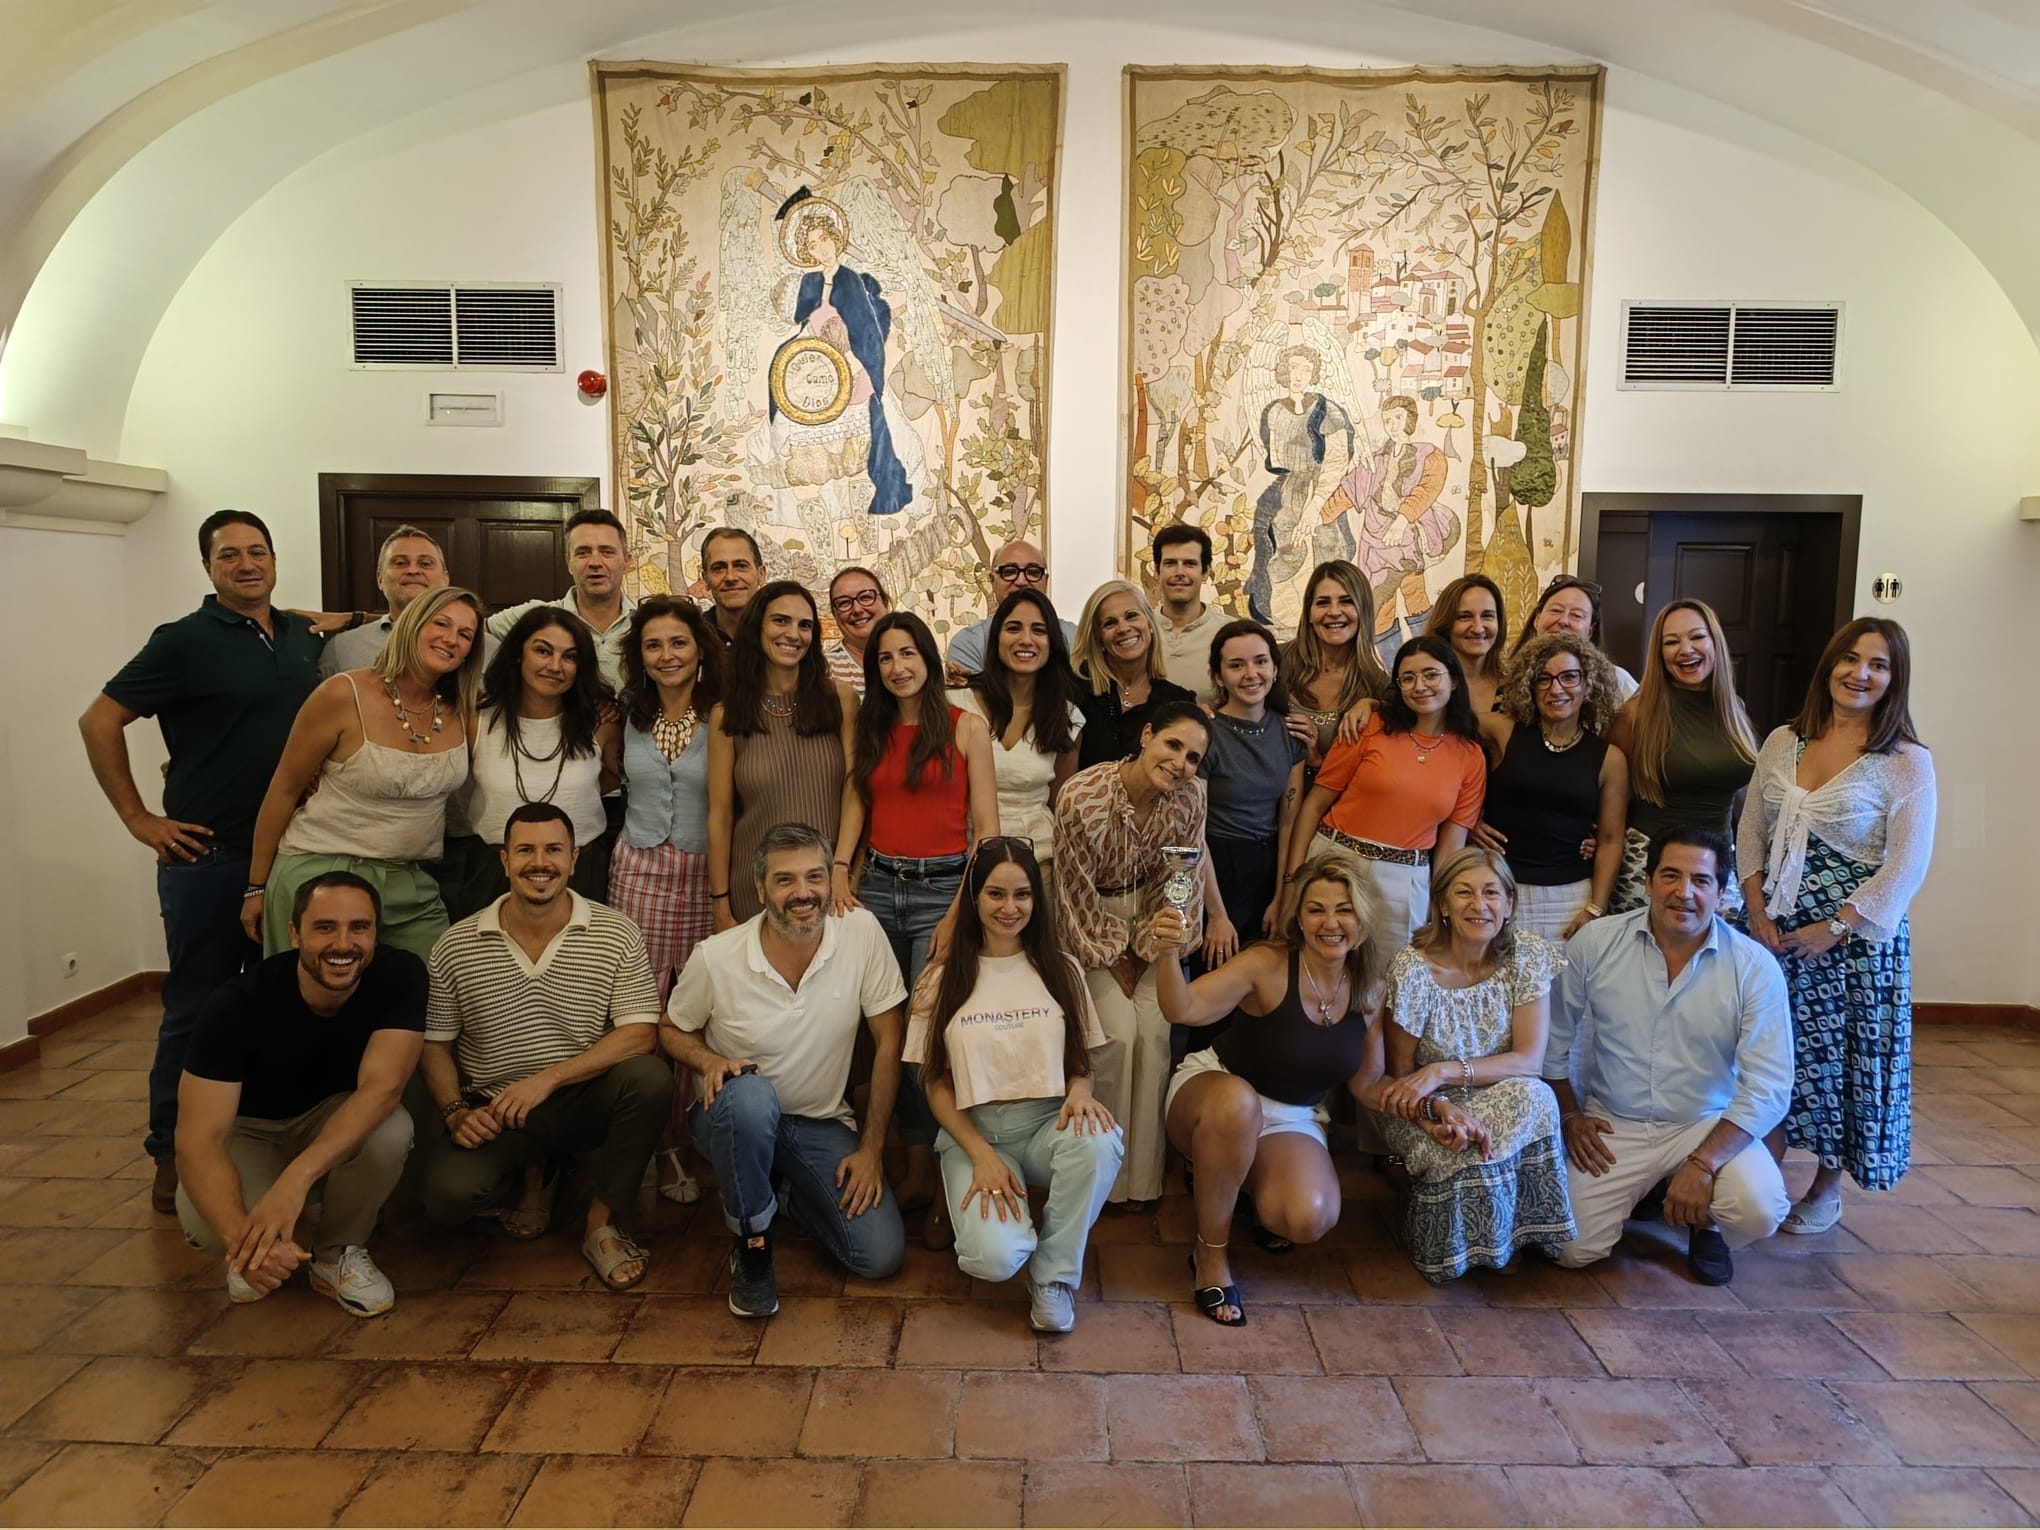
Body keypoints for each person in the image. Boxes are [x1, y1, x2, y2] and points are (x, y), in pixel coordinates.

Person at [81, 509, 324, 1213]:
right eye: (230, 556)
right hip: (209, 858)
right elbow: (98, 721)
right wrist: (138, 818)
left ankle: (265, 1141)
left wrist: (357, 614)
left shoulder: (300, 635)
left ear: (274, 559)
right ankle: (171, 1152)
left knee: (283, 1003)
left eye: (257, 552)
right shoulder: (183, 641)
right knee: (197, 1008)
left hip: (291, 856)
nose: (247, 565)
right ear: (208, 567)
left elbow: (329, 620)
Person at [1151, 852, 1487, 1324]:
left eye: (1344, 910)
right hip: (1216, 1093)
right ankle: (1210, 1253)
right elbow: (1181, 1009)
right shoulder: (1266, 963)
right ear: (1299, 918)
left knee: (1308, 1217)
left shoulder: (1369, 989)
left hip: (1292, 1115)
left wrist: (1433, 1109)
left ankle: (1235, 1182)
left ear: (1362, 921)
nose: (1331, 923)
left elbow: (1369, 1085)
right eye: (1316, 910)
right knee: (1238, 1105)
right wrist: (1168, 953)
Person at [414, 803, 670, 1291]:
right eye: (525, 850)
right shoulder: (456, 945)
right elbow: (434, 1044)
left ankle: (600, 1224)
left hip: (581, 1098)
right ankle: (538, 1169)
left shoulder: (616, 931)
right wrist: (454, 1111)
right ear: (504, 859)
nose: (540, 862)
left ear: (574, 859)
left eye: (553, 850)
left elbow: (641, 1033)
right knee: (448, 1198)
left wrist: (548, 1079)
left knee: (649, 1078)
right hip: (498, 1108)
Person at [662, 824, 910, 1315]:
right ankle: (752, 1245)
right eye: (785, 880)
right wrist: (710, 1061)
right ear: (760, 889)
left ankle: (785, 1192)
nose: (804, 893)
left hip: (819, 1121)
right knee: (752, 1097)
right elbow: (670, 1029)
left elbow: (889, 1041)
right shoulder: (718, 956)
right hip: (734, 1117)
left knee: (880, 1256)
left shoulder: (860, 932)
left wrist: (872, 1149)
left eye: (815, 877)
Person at [1738, 618, 1936, 1232]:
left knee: (1839, 1064)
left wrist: (1837, 927)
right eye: (1850, 659)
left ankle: (1826, 1187)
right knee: (1762, 1054)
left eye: (1878, 665)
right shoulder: (1784, 740)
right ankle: (1754, 1169)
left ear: (1894, 679)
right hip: (1772, 931)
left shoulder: (1905, 761)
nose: (1860, 674)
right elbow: (1751, 829)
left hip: (1853, 943)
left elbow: (1907, 865)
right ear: (1829, 665)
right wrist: (1756, 911)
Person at [1545, 827, 1794, 1286]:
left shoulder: (1754, 967)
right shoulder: (1594, 943)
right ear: (1647, 881)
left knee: (1759, 1209)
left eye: (1701, 881)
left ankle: (1706, 1221)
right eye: (1670, 876)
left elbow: (1770, 1087)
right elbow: (1552, 1042)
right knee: (1568, 1249)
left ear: (1720, 893)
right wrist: (1570, 1115)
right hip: (1616, 1122)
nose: (1684, 892)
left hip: (1705, 1122)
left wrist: (1704, 1163)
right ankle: (1650, 1188)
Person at [174, 871, 422, 1317]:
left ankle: (335, 1252)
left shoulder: (399, 974)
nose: (343, 944)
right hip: (250, 1131)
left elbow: (383, 1090)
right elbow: (197, 1141)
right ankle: (255, 1252)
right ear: (294, 933)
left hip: (330, 1116)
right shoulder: (235, 1003)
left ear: (375, 933)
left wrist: (295, 1181)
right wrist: (243, 1243)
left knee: (391, 1128)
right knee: (205, 1228)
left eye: (359, 927)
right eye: (325, 927)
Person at [906, 839, 1122, 1332]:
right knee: (994, 1259)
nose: (1010, 908)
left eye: (1022, 894)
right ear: (974, 898)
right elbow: (934, 1084)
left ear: (1035, 899)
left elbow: (1080, 1064)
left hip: (1046, 1126)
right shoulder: (938, 981)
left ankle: (1052, 1275)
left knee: (1100, 1141)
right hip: (974, 1133)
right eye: (996, 894)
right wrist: (981, 1154)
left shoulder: (1062, 969)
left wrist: (1080, 1093)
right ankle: (1013, 1229)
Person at [836, 610, 1000, 1239]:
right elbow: (858, 798)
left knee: (927, 1042)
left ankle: (940, 1178)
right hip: (877, 888)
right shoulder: (871, 726)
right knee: (885, 1035)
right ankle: (908, 1168)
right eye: (885, 658)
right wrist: (842, 867)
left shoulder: (966, 727)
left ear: (929, 660)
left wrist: (959, 913)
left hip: (942, 893)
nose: (897, 667)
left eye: (908, 654)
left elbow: (986, 833)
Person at [242, 586, 482, 959]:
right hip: (320, 873)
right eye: (441, 624)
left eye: (465, 634)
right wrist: (256, 887)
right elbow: (284, 790)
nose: (452, 639)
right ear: (413, 624)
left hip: (409, 880)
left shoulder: (463, 709)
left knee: (434, 984)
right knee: (311, 994)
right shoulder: (343, 693)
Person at [1376, 849, 1575, 1282]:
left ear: (1509, 904)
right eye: (1463, 892)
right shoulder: (1412, 968)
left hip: (1499, 1093)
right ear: (1443, 905)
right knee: (1462, 1140)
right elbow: (1401, 1078)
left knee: (1536, 1095)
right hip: (1426, 1107)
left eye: (1491, 893)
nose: (1479, 905)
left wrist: (1445, 1069)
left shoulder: (1526, 956)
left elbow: (1529, 1061)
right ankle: (1455, 1242)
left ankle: (1507, 1236)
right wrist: (1439, 1106)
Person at [1054, 701, 1211, 1205]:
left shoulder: (1191, 797)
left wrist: (1150, 948)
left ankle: (1141, 1182)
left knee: (1157, 1034)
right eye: (1173, 744)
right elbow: (1072, 892)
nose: (1180, 763)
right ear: (1146, 736)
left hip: (1152, 921)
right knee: (1117, 1037)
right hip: (1090, 923)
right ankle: (1103, 1178)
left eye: (1192, 757)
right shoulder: (1081, 796)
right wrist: (1113, 954)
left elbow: (1184, 881)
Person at [610, 595, 724, 1207]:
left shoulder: (724, 713)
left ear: (700, 649)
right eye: (653, 645)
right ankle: (653, 1139)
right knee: (641, 1004)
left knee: (698, 1006)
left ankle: (692, 1130)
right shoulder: (627, 713)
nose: (666, 655)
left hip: (706, 874)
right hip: (638, 869)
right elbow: (608, 777)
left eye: (678, 642)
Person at [1287, 634, 1486, 973]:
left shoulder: (1470, 755)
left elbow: (1451, 848)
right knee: (1315, 968)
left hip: (1404, 879)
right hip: (1335, 860)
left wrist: (1439, 909)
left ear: (1453, 680)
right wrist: (1292, 880)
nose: (1419, 686)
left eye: (1430, 674)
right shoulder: (1370, 725)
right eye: (1407, 678)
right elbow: (1314, 805)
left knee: (1389, 978)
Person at [438, 607, 620, 922]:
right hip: (494, 871)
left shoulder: (600, 721)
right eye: (542, 651)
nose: (555, 666)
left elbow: (612, 777)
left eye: (570, 657)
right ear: (518, 654)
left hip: (581, 871)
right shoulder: (476, 717)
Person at [708, 579, 857, 928]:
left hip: (829, 886)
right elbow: (720, 816)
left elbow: (855, 790)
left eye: (805, 625)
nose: (793, 634)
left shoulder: (841, 701)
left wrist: (843, 866)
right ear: (757, 627)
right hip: (755, 889)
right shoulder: (727, 715)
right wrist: (720, 903)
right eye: (780, 620)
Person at [1475, 632, 1628, 942]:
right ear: (1528, 686)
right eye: (1543, 679)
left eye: (1569, 677)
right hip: (1498, 889)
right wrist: (1466, 820)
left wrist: (1595, 908)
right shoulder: (1502, 731)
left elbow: (1611, 840)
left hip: (1570, 899)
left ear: (1589, 683)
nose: (1556, 689)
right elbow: (1439, 723)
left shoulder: (1610, 759)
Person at [1607, 599, 1758, 912]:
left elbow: (1746, 795)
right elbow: (1609, 796)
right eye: (1671, 642)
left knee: (1722, 944)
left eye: (1697, 637)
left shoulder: (1734, 710)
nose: (1685, 650)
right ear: (1659, 653)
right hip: (1650, 865)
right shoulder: (1635, 715)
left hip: (1719, 864)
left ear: (1715, 642)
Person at [949, 590, 1086, 886]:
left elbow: (1060, 805)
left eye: (1039, 630)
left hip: (1037, 864)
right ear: (996, 638)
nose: (1026, 640)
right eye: (1013, 628)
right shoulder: (958, 705)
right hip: (962, 863)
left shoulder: (1067, 716)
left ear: (1053, 643)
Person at [1198, 619, 1308, 974]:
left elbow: (1288, 823)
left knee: (1266, 980)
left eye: (1260, 661)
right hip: (1217, 867)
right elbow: (1193, 831)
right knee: (1216, 977)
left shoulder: (1289, 730)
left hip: (1270, 864)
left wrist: (1282, 896)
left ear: (1275, 669)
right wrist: (1217, 915)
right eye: (1236, 665)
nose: (1251, 674)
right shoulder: (1205, 735)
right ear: (1218, 676)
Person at [1319, 394, 1458, 666]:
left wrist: (1402, 520)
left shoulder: (1427, 455)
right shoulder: (1376, 460)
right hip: (1375, 540)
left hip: (1405, 539)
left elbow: (1426, 489)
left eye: (1397, 418)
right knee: (1380, 608)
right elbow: (1348, 492)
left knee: (1414, 594)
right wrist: (1317, 518)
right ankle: (1393, 671)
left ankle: (1431, 664)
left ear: (1410, 419)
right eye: (1387, 420)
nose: (1393, 425)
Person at [1247, 346, 1354, 630]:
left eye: (1306, 369)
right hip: (1289, 492)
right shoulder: (1274, 411)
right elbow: (1276, 460)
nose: (1299, 375)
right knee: (1284, 549)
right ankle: (1288, 622)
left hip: (1322, 490)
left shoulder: (1327, 410)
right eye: (1294, 367)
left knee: (1326, 551)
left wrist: (1315, 504)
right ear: (1285, 371)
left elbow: (1337, 460)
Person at [487, 508, 637, 690]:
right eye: (583, 552)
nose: (595, 562)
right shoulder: (535, 618)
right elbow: (471, 634)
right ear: (568, 563)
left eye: (607, 552)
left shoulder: (647, 623)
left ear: (627, 561)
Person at [1279, 560, 1390, 776]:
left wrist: (1315, 761)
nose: (1334, 611)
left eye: (1346, 601)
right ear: (1309, 613)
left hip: (1330, 796)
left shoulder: (1377, 685)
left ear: (1364, 611)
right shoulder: (1274, 660)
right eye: (1323, 603)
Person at [1071, 579, 1196, 769]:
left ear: (1149, 622)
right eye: (1110, 623)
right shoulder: (1074, 689)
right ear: (1098, 637)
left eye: (1131, 616)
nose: (1123, 628)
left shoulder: (1178, 702)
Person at [319, 525, 449, 678]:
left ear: (445, 578)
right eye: (400, 563)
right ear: (380, 578)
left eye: (425, 563)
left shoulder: (472, 645)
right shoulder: (342, 649)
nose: (413, 570)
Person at [945, 539, 1077, 682]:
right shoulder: (968, 643)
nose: (1021, 581)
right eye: (1009, 572)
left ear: (1045, 581)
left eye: (1033, 572)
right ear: (992, 580)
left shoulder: (1076, 639)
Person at [1515, 576, 1639, 705]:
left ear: (1590, 630)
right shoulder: (1511, 675)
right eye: (1556, 610)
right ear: (1537, 619)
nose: (1564, 621)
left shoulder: (1617, 681)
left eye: (1576, 615)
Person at [1151, 523, 1224, 702]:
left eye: (1190, 564)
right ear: (1157, 571)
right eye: (1170, 563)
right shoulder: (1137, 632)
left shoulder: (1231, 634)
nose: (1180, 572)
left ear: (1205, 572)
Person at [1422, 574, 1507, 718]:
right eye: (1464, 617)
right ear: (1445, 623)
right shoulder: (1422, 687)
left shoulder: (1517, 690)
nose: (1478, 628)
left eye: (1487, 615)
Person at [824, 565, 889, 694]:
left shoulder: (916, 658)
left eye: (865, 597)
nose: (857, 609)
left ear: (885, 603)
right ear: (834, 614)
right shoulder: (822, 671)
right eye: (844, 603)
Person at [699, 525, 766, 647]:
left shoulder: (780, 635)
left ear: (761, 574)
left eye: (741, 566)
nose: (730, 577)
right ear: (705, 579)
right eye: (719, 568)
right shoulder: (692, 636)